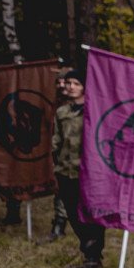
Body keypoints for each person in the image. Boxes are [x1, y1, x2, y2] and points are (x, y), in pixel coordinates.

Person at [50, 70, 105, 268]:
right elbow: (56, 140)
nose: (70, 87)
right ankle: (88, 250)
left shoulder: (94, 111)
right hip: (66, 171)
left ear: (84, 87)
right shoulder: (62, 112)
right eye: (69, 83)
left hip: (89, 174)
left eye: (76, 83)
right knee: (73, 215)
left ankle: (92, 258)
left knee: (91, 217)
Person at [50, 66, 72, 241]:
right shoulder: (57, 105)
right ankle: (59, 223)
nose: (62, 85)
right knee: (61, 191)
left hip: (80, 159)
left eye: (65, 81)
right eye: (58, 82)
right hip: (62, 156)